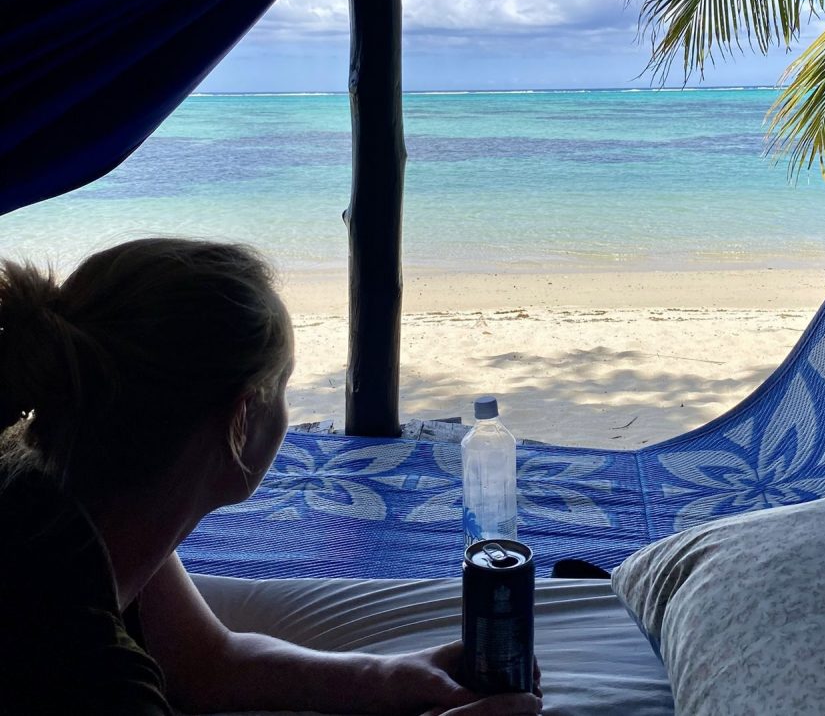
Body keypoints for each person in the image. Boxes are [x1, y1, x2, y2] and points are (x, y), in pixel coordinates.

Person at [0, 239, 542, 716]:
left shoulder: (84, 497)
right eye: (284, 388)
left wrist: (387, 676)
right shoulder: (89, 671)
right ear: (240, 421)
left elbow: (205, 664)